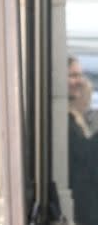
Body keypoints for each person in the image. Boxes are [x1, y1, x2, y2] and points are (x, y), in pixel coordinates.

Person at [68, 56, 98, 225]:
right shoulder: (64, 121)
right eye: (72, 75)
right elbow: (86, 160)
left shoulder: (77, 118)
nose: (79, 81)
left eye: (80, 75)